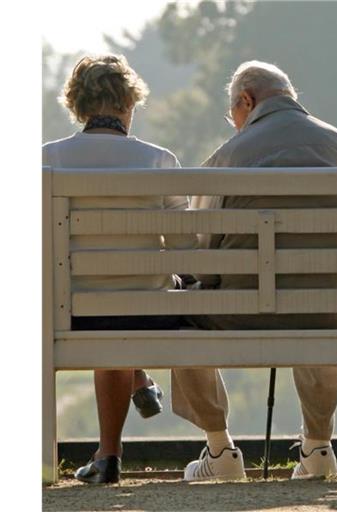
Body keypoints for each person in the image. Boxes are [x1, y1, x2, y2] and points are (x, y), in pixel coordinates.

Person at [171, 60, 337, 481]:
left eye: (235, 117)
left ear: (246, 100)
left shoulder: (228, 157)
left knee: (178, 315)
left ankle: (219, 450)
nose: (235, 126)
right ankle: (318, 448)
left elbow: (200, 259)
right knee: (325, 295)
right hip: (335, 312)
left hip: (242, 312)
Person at [42, 54, 197, 483]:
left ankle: (109, 452)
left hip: (70, 310)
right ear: (129, 104)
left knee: (101, 307)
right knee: (124, 305)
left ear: (78, 105)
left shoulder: (47, 159)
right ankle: (132, 397)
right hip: (149, 311)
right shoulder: (158, 159)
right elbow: (188, 251)